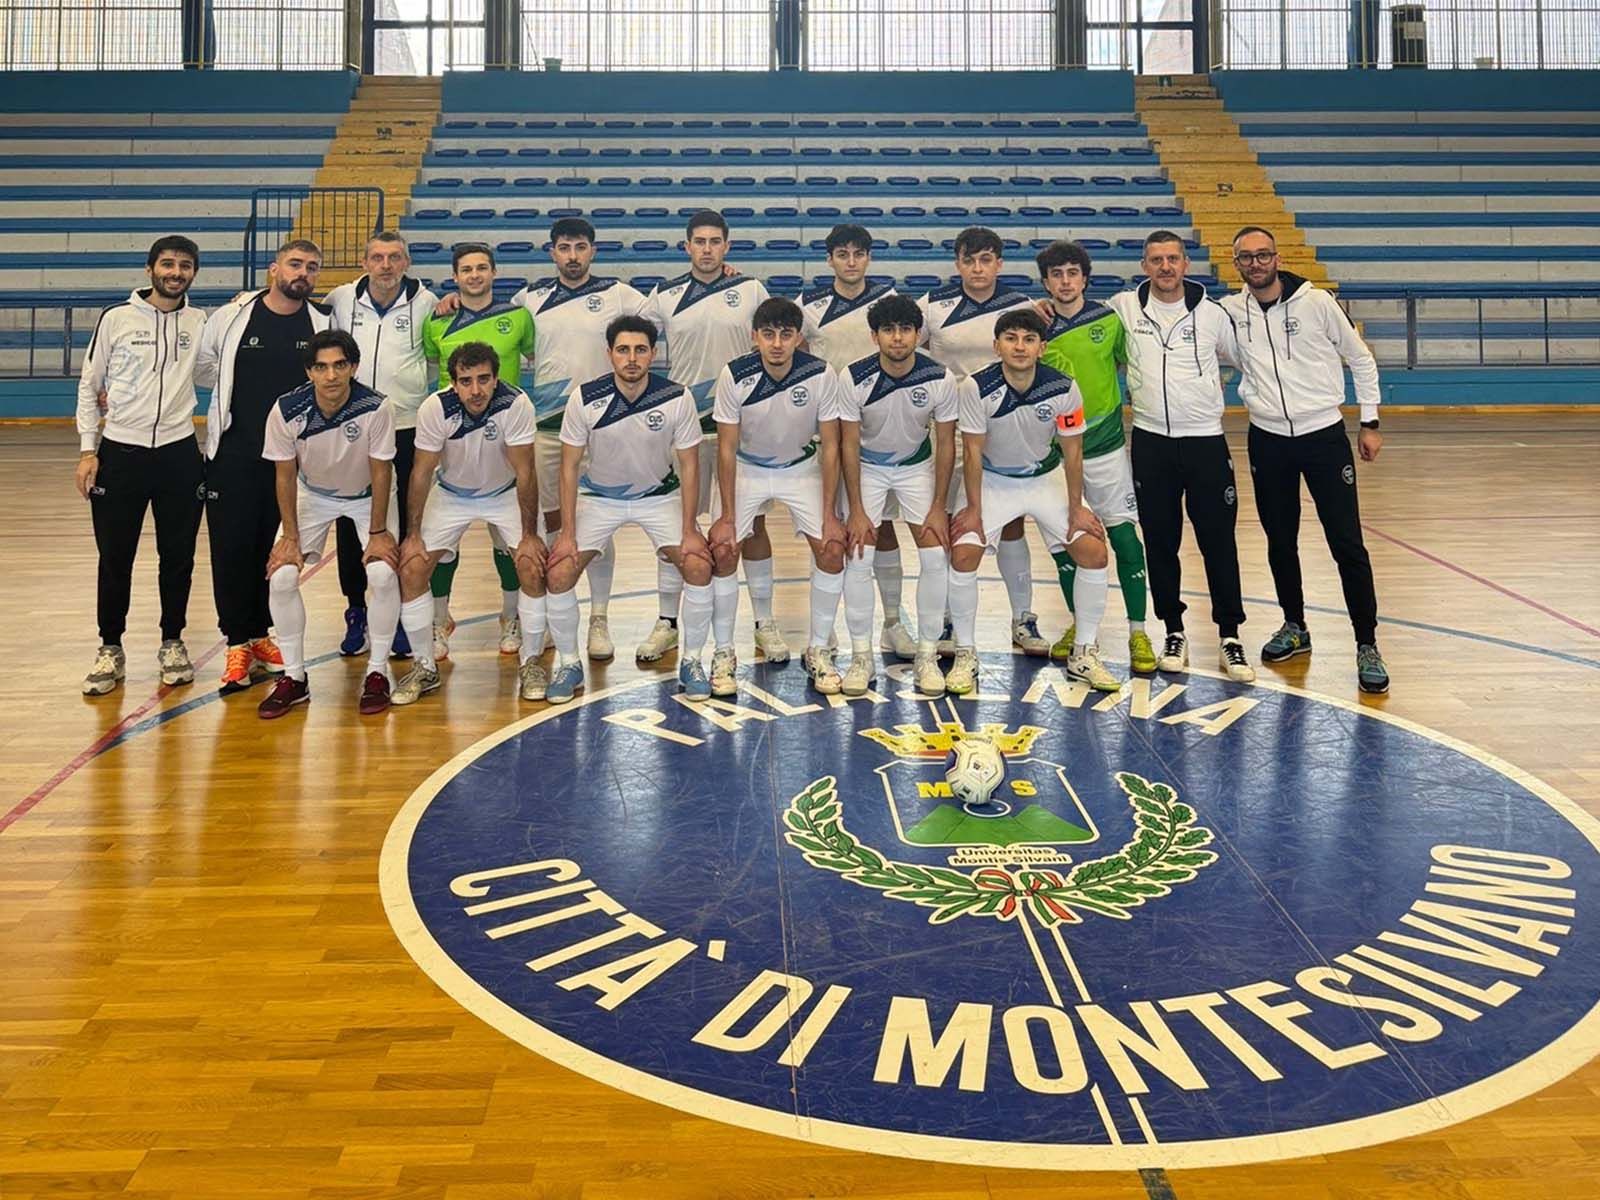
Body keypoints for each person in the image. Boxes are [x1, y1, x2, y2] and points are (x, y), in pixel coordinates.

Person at [1220, 226, 1390, 693]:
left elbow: (1361, 359)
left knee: (1347, 544)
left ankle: (1367, 643)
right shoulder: (1229, 312)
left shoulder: (1317, 303)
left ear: (1277, 258)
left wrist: (1370, 422)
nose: (1256, 263)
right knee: (1280, 540)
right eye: (1246, 257)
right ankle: (1294, 625)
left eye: (1263, 255)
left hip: (1323, 437)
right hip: (1267, 438)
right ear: (1236, 264)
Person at [1108, 231, 1254, 683]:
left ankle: (1230, 636)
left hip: (1205, 442)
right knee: (1160, 542)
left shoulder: (1214, 314)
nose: (1165, 267)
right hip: (1151, 442)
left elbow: (1244, 360)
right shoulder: (1123, 308)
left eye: (1172, 258)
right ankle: (1173, 630)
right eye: (1156, 260)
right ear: (1145, 266)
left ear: (1186, 264)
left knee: (1218, 543)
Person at [544, 316, 713, 702]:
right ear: (609, 354)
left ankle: (692, 661)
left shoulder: (677, 397)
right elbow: (569, 466)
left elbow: (689, 464)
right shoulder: (585, 397)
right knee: (559, 572)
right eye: (623, 350)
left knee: (698, 565)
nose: (632, 358)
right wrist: (567, 533)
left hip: (659, 497)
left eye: (640, 350)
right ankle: (569, 665)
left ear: (654, 354)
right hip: (599, 499)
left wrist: (690, 528)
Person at [947, 310, 1116, 694]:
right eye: (1011, 338)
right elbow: (971, 452)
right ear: (997, 346)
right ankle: (965, 652)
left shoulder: (1063, 387)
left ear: (1042, 347)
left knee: (1093, 551)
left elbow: (1073, 451)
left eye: (1028, 339)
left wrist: (1077, 508)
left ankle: (1084, 652)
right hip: (993, 479)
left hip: (1044, 477)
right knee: (964, 553)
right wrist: (973, 510)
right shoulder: (975, 387)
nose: (1019, 347)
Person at [195, 238, 334, 693]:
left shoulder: (321, 321)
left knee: (271, 549)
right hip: (234, 453)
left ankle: (260, 634)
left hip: (290, 460)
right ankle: (237, 641)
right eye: (295, 264)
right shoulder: (234, 315)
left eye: (311, 267)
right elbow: (204, 366)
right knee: (231, 548)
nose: (303, 273)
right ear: (275, 268)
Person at [637, 210, 773, 665]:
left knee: (751, 525)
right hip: (685, 428)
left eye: (716, 241)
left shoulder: (750, 290)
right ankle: (667, 621)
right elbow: (629, 334)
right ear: (687, 247)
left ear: (727, 247)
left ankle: (764, 622)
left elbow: (782, 337)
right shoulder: (665, 295)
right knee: (677, 524)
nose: (708, 249)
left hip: (742, 428)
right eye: (700, 241)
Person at [75, 235, 208, 695]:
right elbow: (89, 384)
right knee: (115, 558)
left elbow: (214, 371)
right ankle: (110, 647)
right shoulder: (116, 318)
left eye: (185, 265)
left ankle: (173, 641)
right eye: (167, 264)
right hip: (120, 455)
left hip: (178, 454)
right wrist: (88, 450)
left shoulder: (200, 321)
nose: (176, 272)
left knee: (179, 557)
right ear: (150, 269)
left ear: (194, 273)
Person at [391, 343, 546, 706]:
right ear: (453, 382)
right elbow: (421, 472)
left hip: (504, 492)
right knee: (411, 568)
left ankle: (531, 662)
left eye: (483, 379)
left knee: (531, 564)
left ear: (496, 378)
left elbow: (525, 471)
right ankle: (424, 666)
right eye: (466, 381)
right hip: (451, 494)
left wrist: (529, 535)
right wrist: (412, 535)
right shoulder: (435, 408)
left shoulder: (516, 403)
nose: (476, 390)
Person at [707, 298, 849, 697]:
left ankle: (818, 649)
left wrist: (830, 514)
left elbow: (832, 445)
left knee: (832, 548)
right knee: (723, 549)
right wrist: (728, 516)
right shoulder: (735, 374)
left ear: (798, 338)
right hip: (747, 468)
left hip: (800, 468)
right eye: (768, 334)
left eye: (786, 335)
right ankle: (724, 651)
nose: (776, 343)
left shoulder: (820, 373)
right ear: (754, 337)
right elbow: (725, 448)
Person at [257, 331, 401, 718]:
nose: (331, 375)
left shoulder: (376, 406)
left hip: (367, 494)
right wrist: (290, 537)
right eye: (321, 367)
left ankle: (377, 672)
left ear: (353, 367)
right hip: (313, 493)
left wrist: (377, 533)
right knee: (282, 577)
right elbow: (285, 475)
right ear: (309, 372)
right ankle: (294, 678)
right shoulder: (286, 409)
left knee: (383, 574)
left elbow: (381, 470)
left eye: (340, 365)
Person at [917, 226, 1043, 657]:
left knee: (1012, 521)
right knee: (953, 521)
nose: (977, 268)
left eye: (986, 260)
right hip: (951, 430)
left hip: (1007, 426)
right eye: (969, 260)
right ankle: (948, 619)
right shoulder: (932, 306)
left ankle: (1023, 617)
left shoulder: (1021, 306)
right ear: (957, 263)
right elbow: (902, 347)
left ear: (999, 264)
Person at [1035, 240, 1156, 675]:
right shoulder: (1035, 326)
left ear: (1085, 278)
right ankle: (1081, 626)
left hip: (1105, 448)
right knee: (1066, 545)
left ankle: (1138, 631)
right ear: (1045, 282)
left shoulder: (1109, 320)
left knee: (1124, 539)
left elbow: (1135, 366)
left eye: (1073, 273)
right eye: (1056, 275)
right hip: (1054, 455)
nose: (1065, 281)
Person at [799, 223, 917, 660]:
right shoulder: (808, 308)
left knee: (881, 530)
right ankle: (825, 628)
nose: (851, 262)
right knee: (827, 530)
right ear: (829, 259)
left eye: (859, 253)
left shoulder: (890, 302)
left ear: (869, 258)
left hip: (880, 434)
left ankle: (892, 622)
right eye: (842, 254)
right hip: (828, 434)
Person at [419, 242, 536, 663]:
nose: (474, 275)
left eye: (482, 268)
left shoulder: (519, 317)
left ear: (494, 272)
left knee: (508, 543)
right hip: (454, 443)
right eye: (466, 269)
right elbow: (431, 369)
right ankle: (440, 619)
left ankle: (511, 615)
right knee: (442, 545)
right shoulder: (436, 321)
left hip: (504, 440)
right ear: (455, 276)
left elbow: (538, 358)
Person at [836, 295, 959, 697]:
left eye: (906, 329)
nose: (898, 338)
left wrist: (939, 507)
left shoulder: (939, 377)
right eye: (888, 330)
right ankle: (861, 656)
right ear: (875, 336)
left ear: (918, 334)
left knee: (935, 557)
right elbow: (847, 444)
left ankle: (927, 655)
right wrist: (856, 509)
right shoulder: (853, 377)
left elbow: (946, 443)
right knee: (858, 556)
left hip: (916, 468)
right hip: (867, 468)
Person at [325, 231, 435, 661]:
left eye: (394, 257)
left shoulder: (427, 303)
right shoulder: (340, 300)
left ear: (406, 262)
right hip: (354, 424)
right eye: (377, 257)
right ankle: (356, 610)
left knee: (406, 518)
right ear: (364, 261)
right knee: (351, 520)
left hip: (406, 425)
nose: (385, 265)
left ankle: (403, 613)